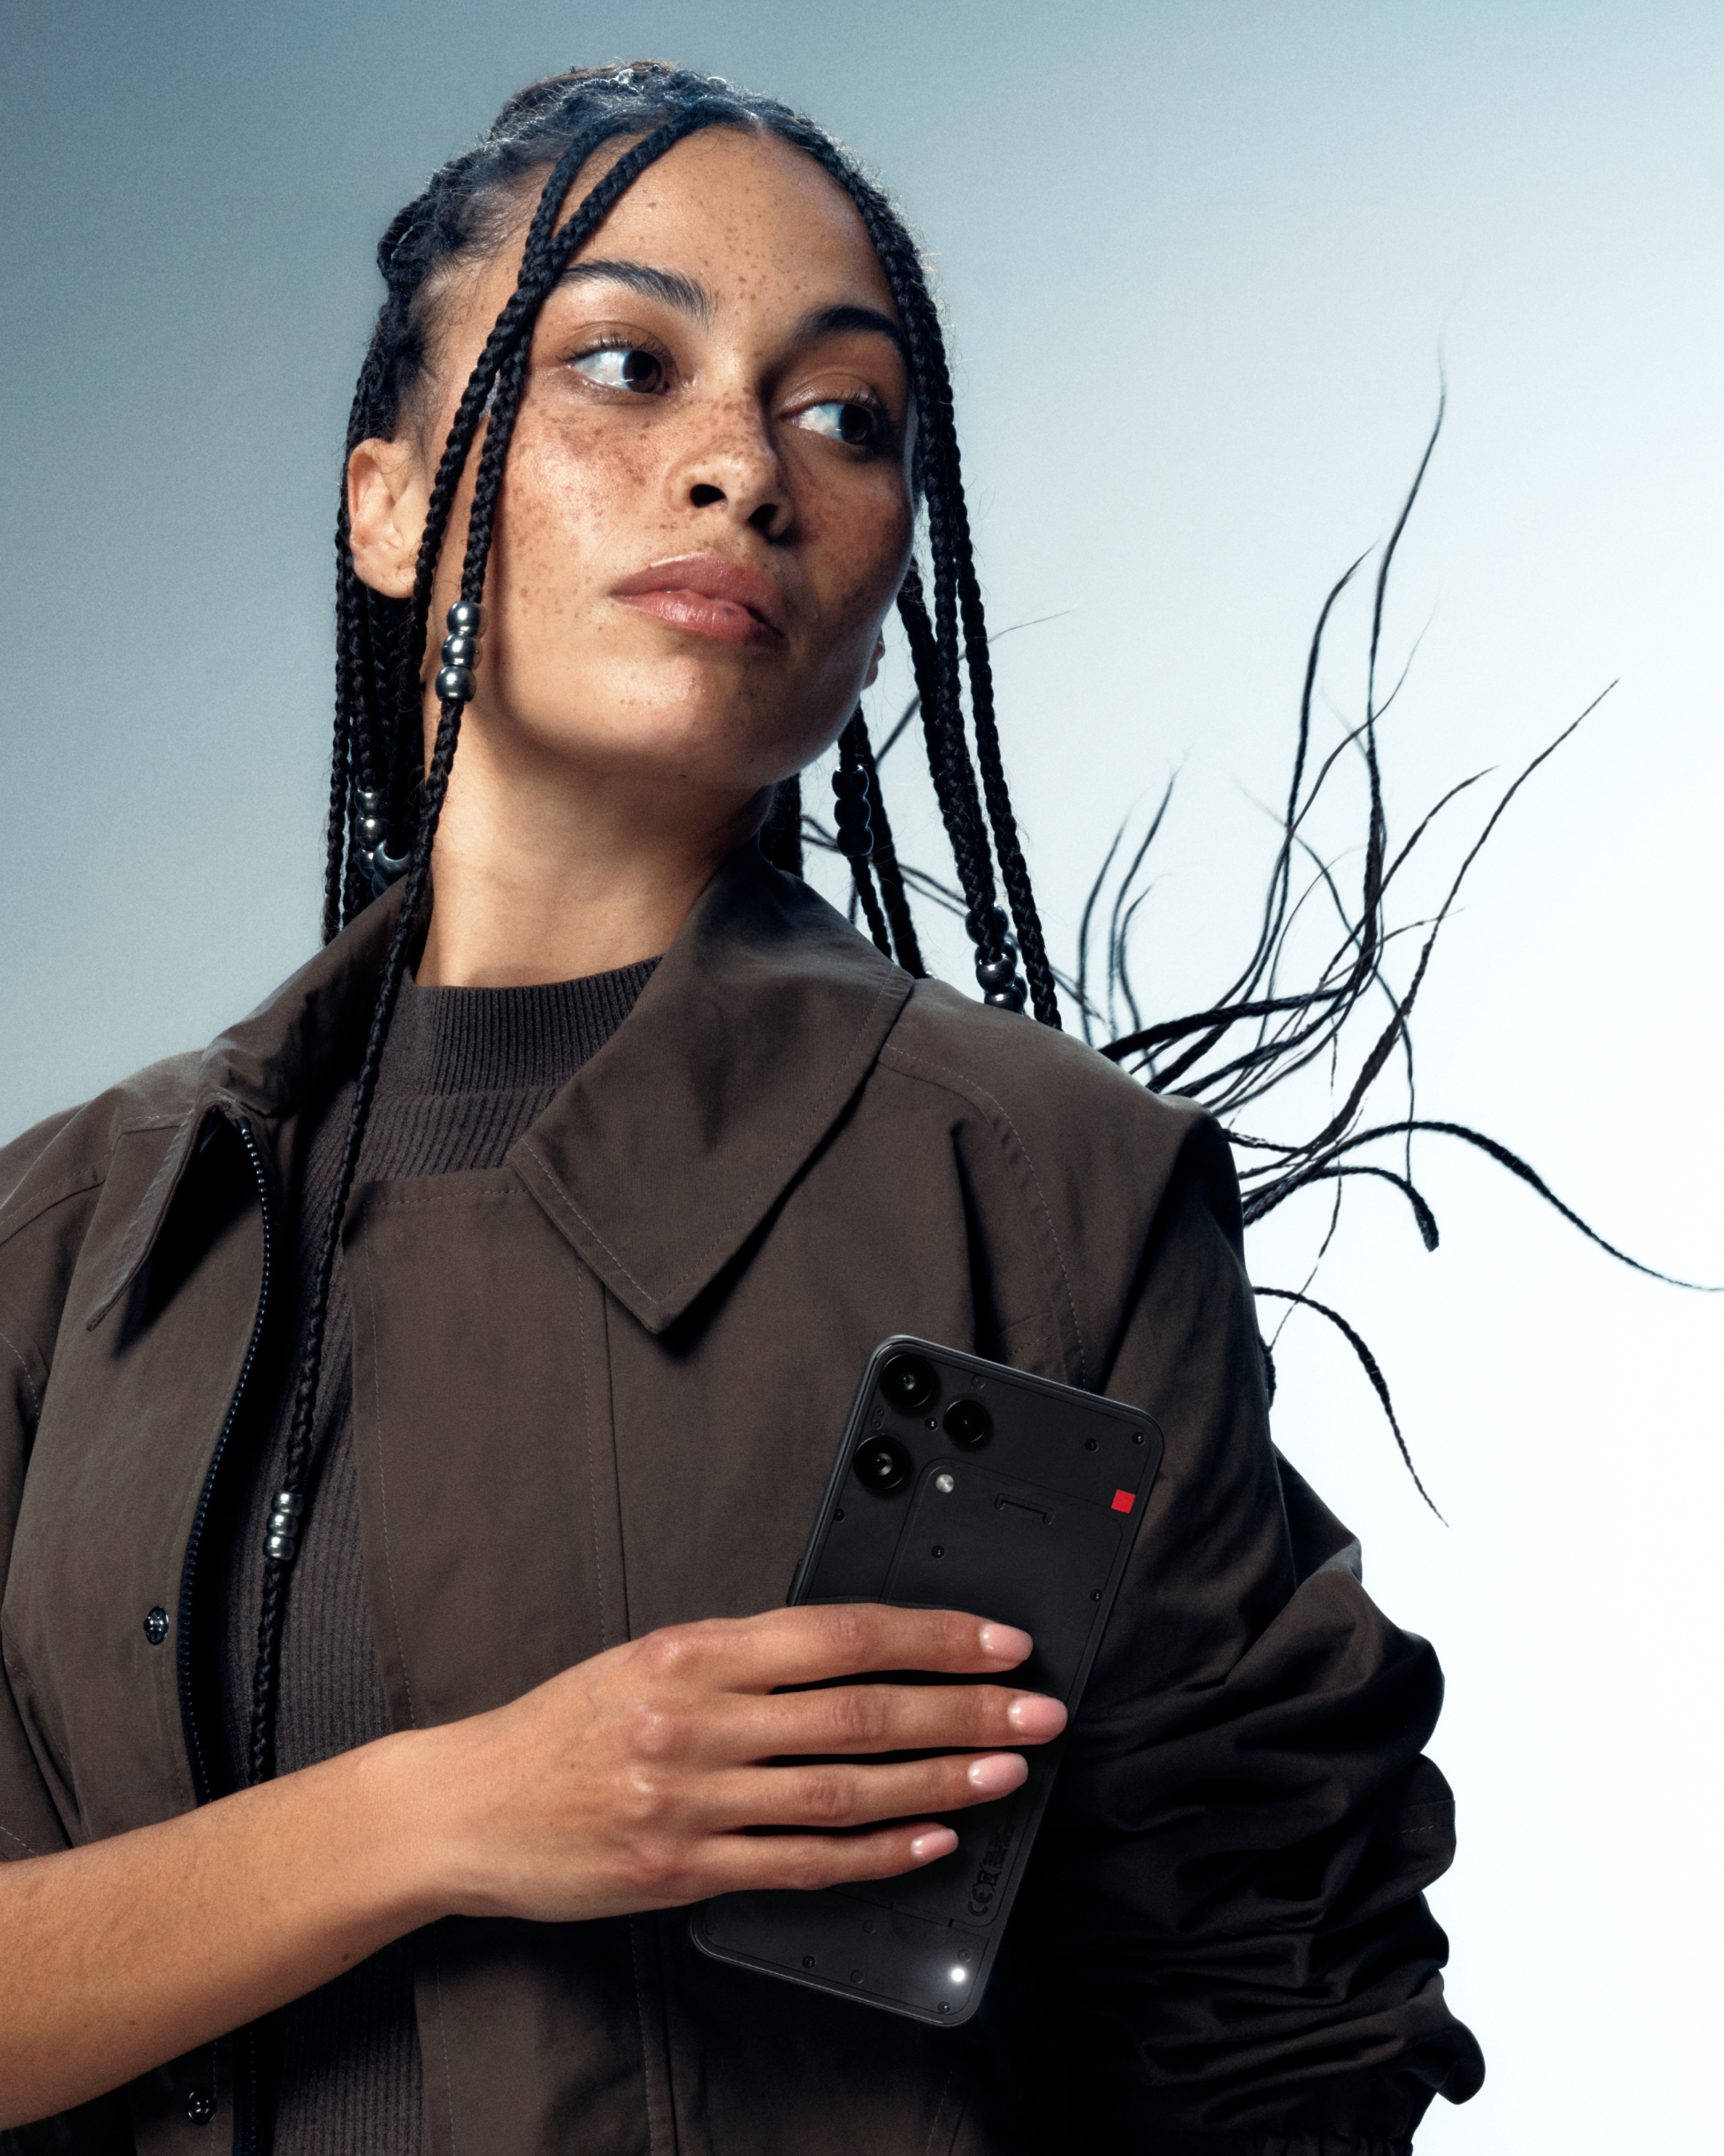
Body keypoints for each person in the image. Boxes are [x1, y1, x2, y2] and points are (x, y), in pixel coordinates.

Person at [0, 62, 1483, 2156]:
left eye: (844, 417)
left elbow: (1275, 2015)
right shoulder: (60, 1248)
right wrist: (451, 1807)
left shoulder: (1038, 1191)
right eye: (628, 362)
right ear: (390, 498)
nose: (742, 469)